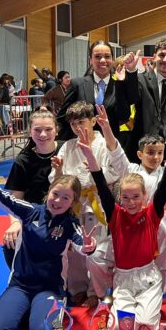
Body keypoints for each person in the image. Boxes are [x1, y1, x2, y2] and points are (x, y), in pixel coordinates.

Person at [0, 156, 95, 330]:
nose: (58, 201)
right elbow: (1, 197)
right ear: (49, 192)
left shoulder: (71, 224)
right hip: (20, 285)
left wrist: (89, 247)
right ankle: (25, 310)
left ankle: (37, 310)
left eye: (66, 198)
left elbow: (81, 245)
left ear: (72, 202)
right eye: (55, 194)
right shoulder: (30, 211)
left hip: (50, 288)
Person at [79, 118, 166, 330]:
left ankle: (149, 307)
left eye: (136, 197)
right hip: (123, 280)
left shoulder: (152, 213)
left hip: (148, 279)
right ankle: (117, 306)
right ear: (119, 198)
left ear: (145, 196)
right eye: (126, 198)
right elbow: (101, 184)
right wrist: (90, 156)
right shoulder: (115, 214)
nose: (131, 202)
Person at [51, 102, 121, 305]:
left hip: (96, 201)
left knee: (95, 249)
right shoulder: (68, 146)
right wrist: (58, 170)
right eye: (73, 124)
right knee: (74, 249)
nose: (77, 127)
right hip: (73, 202)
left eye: (81, 122)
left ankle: (96, 292)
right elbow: (56, 180)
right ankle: (78, 288)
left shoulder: (105, 143)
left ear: (93, 121)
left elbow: (115, 172)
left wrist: (94, 169)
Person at [2, 108, 62, 269]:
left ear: (56, 130)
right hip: (34, 216)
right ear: (30, 131)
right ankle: (21, 278)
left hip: (64, 214)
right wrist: (15, 223)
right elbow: (14, 199)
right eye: (37, 130)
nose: (43, 134)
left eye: (48, 129)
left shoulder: (66, 150)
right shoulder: (23, 160)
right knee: (11, 241)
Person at [57, 41, 140, 140]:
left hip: (110, 142)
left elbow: (125, 114)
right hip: (82, 142)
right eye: (97, 57)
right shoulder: (77, 84)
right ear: (90, 60)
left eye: (107, 56)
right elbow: (63, 117)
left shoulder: (118, 83)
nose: (103, 60)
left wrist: (130, 72)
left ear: (112, 60)